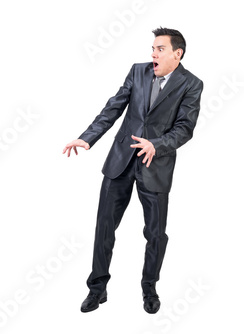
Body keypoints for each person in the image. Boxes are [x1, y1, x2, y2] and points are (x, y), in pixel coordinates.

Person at [62, 27, 203, 314]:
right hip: (120, 161)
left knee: (155, 234)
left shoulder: (192, 84)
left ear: (178, 54)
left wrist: (157, 144)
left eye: (160, 49)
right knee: (104, 228)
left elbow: (185, 128)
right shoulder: (138, 71)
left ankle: (149, 288)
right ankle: (97, 289)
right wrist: (88, 137)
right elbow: (113, 107)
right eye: (152, 48)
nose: (153, 53)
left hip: (156, 165)